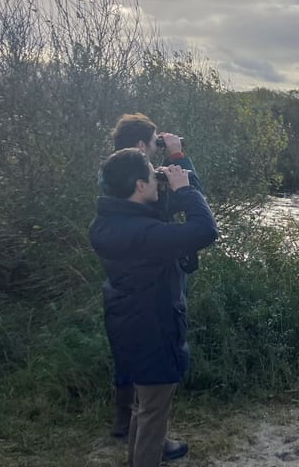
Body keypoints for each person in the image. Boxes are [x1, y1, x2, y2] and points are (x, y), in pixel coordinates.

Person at [90, 148, 218, 466]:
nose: (156, 177)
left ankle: (135, 459)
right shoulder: (144, 235)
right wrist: (184, 188)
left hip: (127, 321)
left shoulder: (108, 222)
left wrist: (174, 172)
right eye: (151, 175)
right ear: (139, 186)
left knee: (143, 404)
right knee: (153, 413)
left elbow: (153, 219)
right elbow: (205, 230)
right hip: (155, 326)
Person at [101, 113, 204, 448]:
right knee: (154, 377)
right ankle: (150, 439)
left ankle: (130, 425)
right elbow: (197, 213)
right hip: (154, 295)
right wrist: (177, 158)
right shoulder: (141, 191)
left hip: (125, 299)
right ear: (143, 145)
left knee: (134, 358)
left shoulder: (111, 182)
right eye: (156, 139)